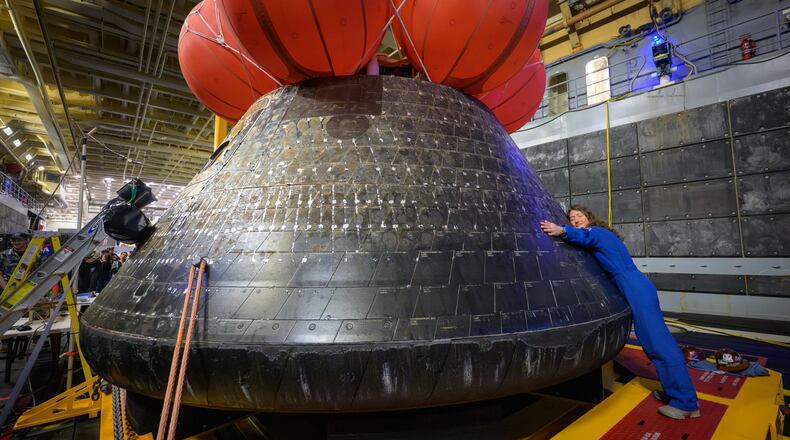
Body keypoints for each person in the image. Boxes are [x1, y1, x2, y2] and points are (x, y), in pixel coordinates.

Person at [540, 205, 700, 420]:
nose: (575, 219)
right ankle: (675, 394)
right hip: (634, 285)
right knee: (652, 341)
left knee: (658, 343)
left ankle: (686, 403)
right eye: (571, 218)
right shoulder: (604, 234)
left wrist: (562, 230)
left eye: (579, 216)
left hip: (633, 286)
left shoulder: (596, 233)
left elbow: (586, 238)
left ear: (589, 217)